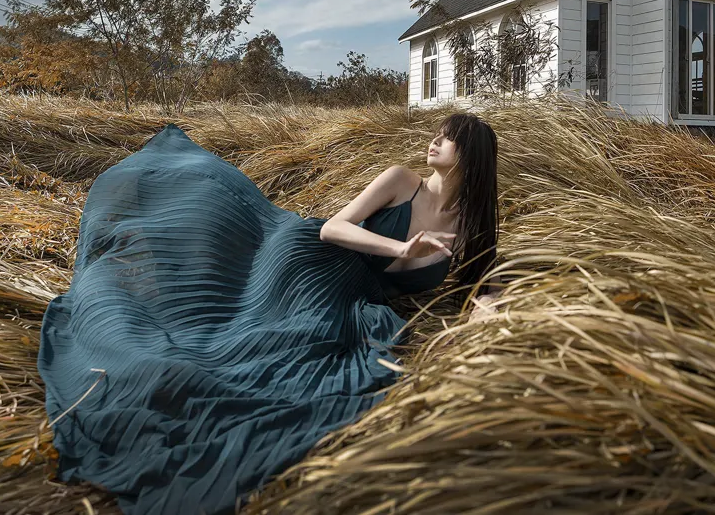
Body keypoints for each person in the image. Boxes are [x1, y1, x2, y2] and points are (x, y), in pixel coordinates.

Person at [38, 112, 502, 515]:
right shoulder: (402, 181)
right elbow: (334, 229)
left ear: (471, 154)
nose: (434, 140)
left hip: (359, 299)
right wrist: (400, 246)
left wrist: (491, 312)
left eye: (448, 136)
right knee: (238, 326)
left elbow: (482, 281)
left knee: (302, 361)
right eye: (437, 132)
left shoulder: (470, 227)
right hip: (313, 262)